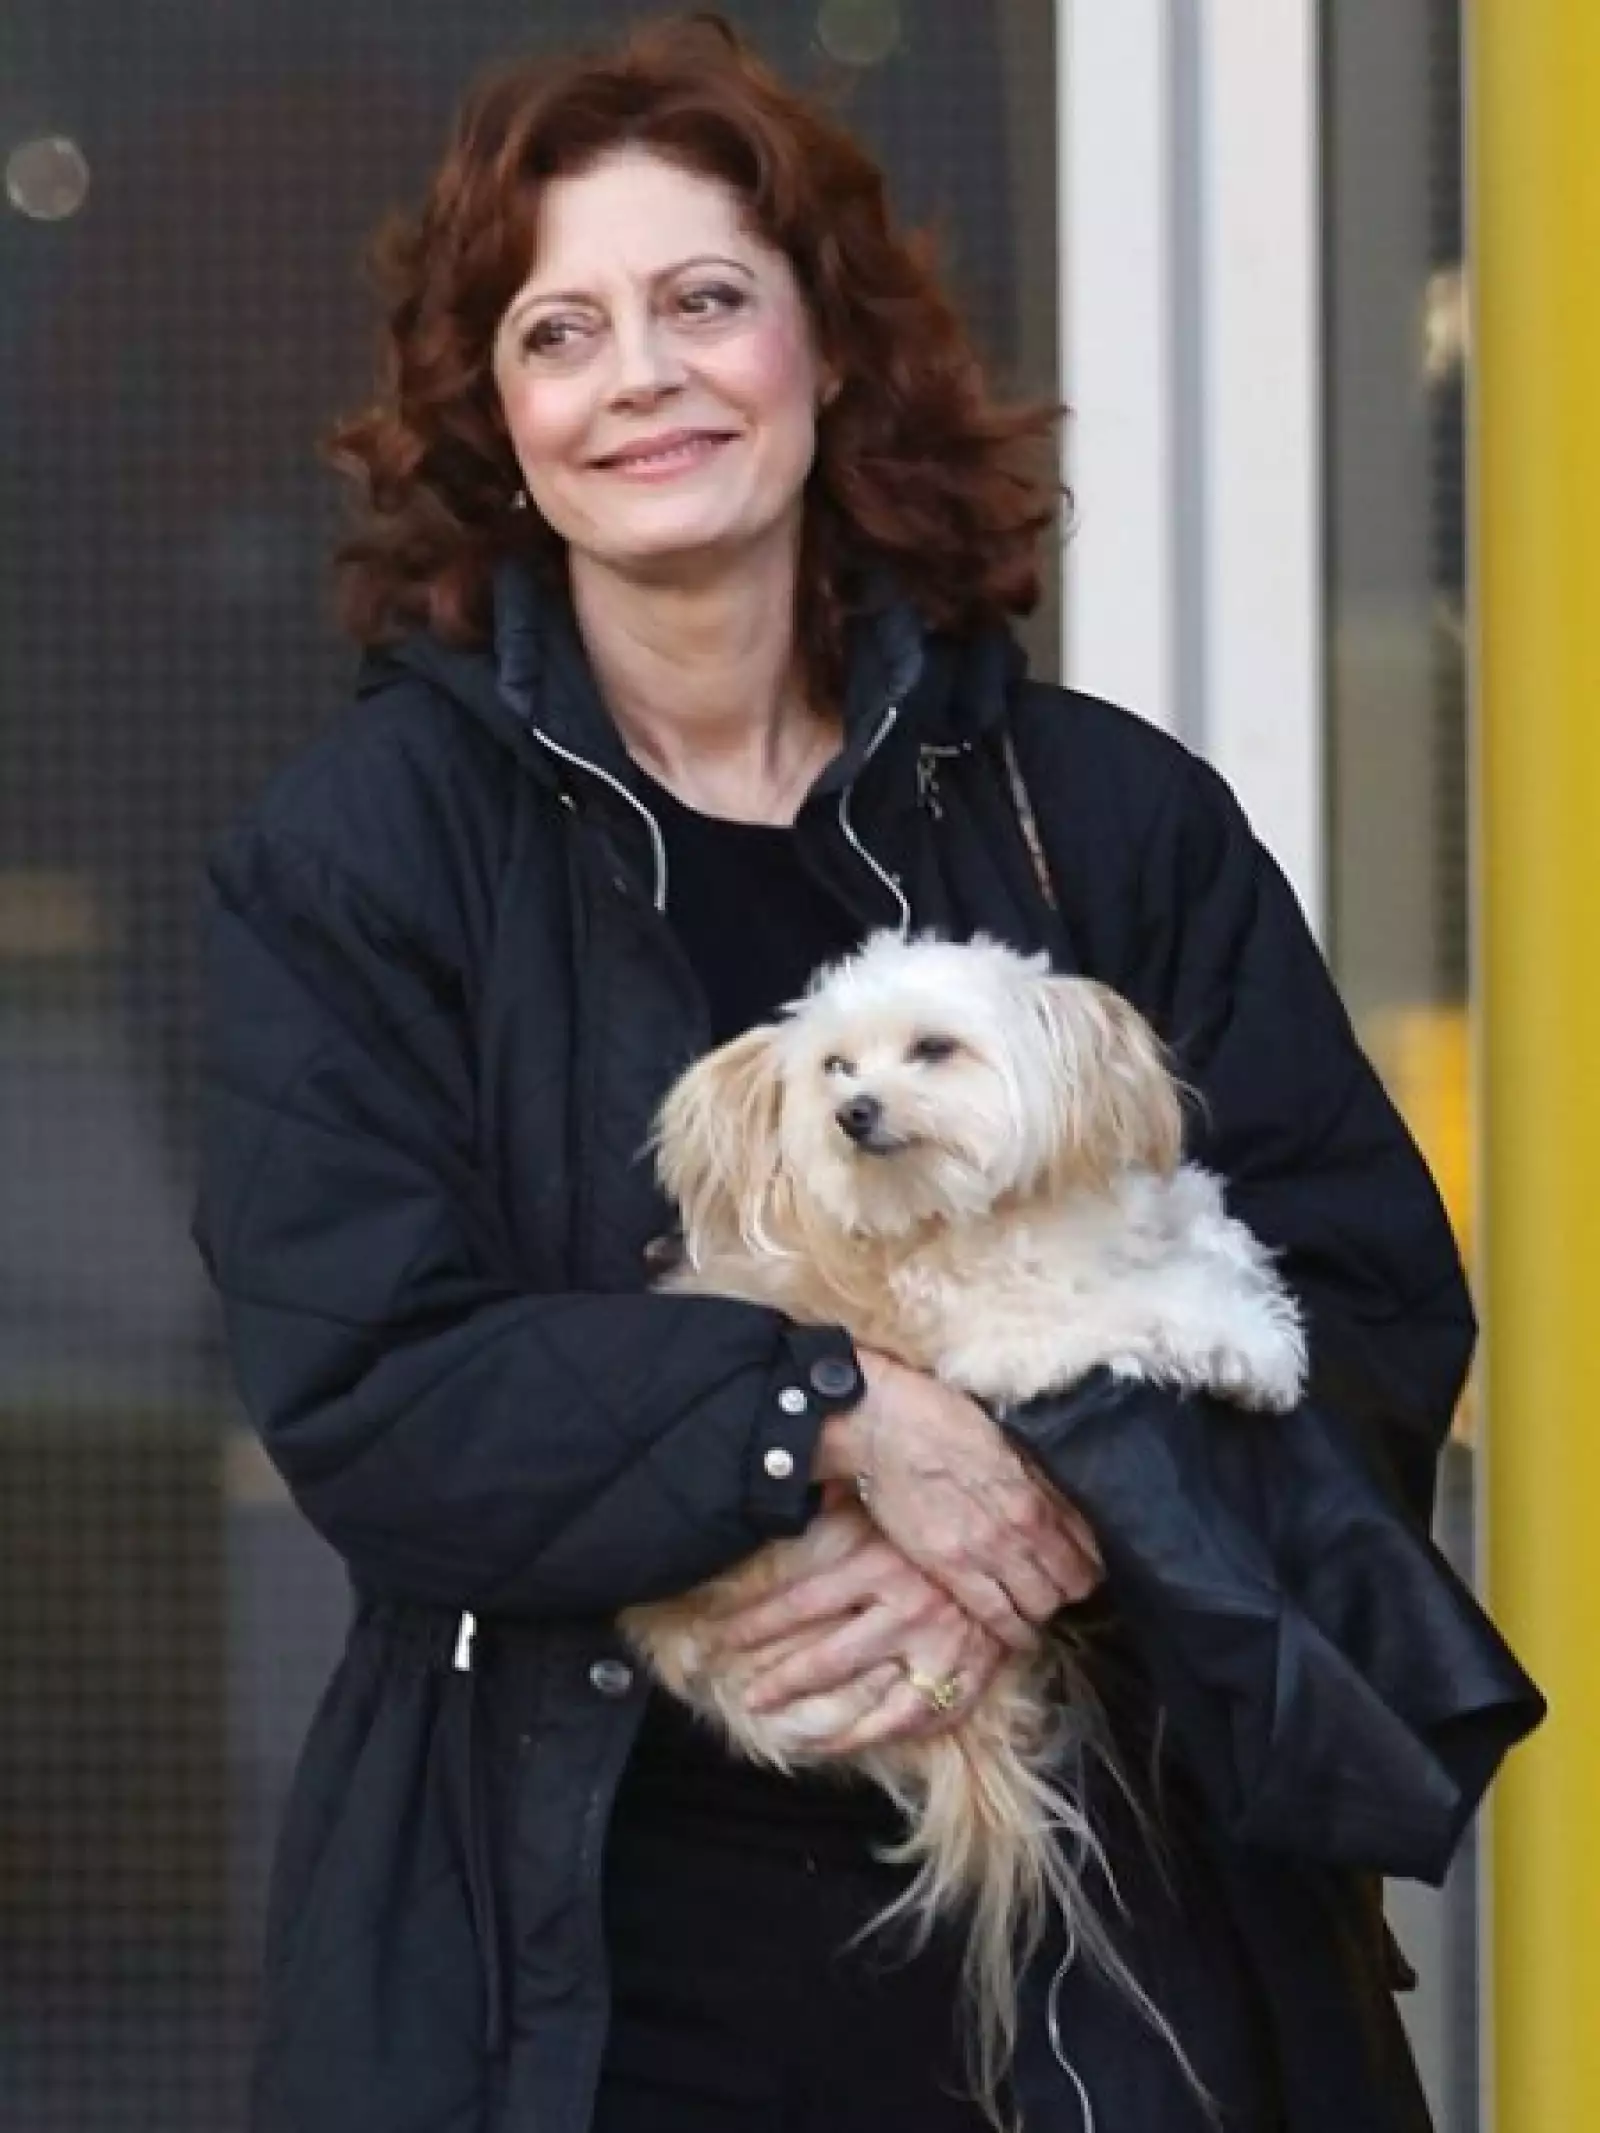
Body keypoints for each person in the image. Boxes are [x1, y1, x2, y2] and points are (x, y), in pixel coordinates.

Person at [193, 16, 1540, 2133]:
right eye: (562, 330)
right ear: (502, 422)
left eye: (705, 299)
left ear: (828, 351)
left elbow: (1360, 1302)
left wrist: (1046, 1518)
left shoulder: (1095, 816)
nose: (639, 372)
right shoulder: (364, 854)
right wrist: (825, 1416)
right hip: (582, 1981)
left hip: (1123, 1946)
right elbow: (373, 1384)